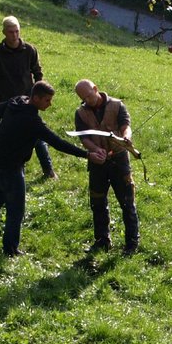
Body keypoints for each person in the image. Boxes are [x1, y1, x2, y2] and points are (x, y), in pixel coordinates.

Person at [0, 82, 106, 257]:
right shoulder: (33, 121)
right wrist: (87, 155)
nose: (50, 104)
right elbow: (57, 143)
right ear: (36, 98)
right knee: (16, 208)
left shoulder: (16, 101)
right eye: (47, 100)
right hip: (12, 165)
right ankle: (10, 249)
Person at [74, 79, 140, 255]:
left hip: (119, 161)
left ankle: (132, 243)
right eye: (83, 98)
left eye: (89, 96)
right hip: (97, 163)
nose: (87, 100)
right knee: (97, 203)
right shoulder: (81, 113)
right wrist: (96, 150)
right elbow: (84, 138)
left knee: (127, 202)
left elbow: (126, 126)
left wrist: (126, 138)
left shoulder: (117, 105)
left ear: (95, 89)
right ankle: (102, 241)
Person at [0, 15, 56, 179]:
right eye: (11, 32)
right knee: (10, 138)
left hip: (28, 101)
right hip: (8, 102)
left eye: (17, 31)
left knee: (37, 135)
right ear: (4, 32)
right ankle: (14, 170)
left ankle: (48, 170)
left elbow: (38, 72)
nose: (14, 35)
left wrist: (39, 95)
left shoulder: (29, 50)